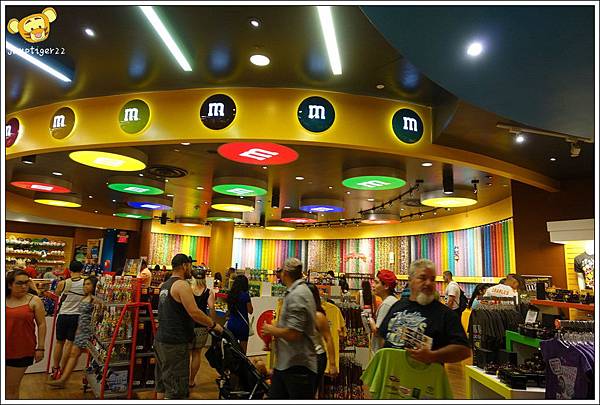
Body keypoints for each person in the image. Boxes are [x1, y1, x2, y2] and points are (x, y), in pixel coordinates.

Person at [154, 253, 223, 400]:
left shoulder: (165, 285)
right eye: (190, 265)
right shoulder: (182, 285)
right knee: (176, 388)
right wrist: (213, 324)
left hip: (161, 340)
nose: (191, 269)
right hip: (175, 343)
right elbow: (194, 312)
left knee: (162, 384)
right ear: (185, 266)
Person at [379, 259, 471, 364]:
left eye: (432, 279)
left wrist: (433, 356)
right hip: (391, 372)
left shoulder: (445, 314)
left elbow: (464, 350)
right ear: (410, 280)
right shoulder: (398, 306)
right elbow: (383, 336)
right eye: (422, 278)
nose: (428, 283)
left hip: (424, 373)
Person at [262, 257, 318, 399]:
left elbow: (294, 333)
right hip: (288, 363)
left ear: (285, 273)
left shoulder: (298, 295)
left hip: (297, 366)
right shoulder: (297, 292)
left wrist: (271, 330)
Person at [47, 276, 98, 388]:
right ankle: (63, 379)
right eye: (84, 284)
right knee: (74, 354)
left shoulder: (95, 299)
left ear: (94, 286)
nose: (85, 286)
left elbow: (97, 315)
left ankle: (64, 379)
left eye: (88, 284)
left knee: (77, 354)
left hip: (87, 331)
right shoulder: (85, 297)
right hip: (81, 331)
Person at [6, 270, 47, 399]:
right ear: (10, 285)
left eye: (26, 283)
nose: (24, 286)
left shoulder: (34, 300)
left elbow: (42, 324)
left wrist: (40, 347)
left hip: (21, 350)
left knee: (11, 389)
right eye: (19, 283)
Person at [49, 260, 85, 380]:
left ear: (69, 270)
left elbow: (56, 294)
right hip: (76, 316)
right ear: (82, 270)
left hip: (63, 315)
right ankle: (63, 370)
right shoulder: (86, 283)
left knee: (59, 342)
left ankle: (55, 368)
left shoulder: (63, 283)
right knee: (69, 343)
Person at [306, 283, 338, 397]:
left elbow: (328, 339)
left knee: (309, 392)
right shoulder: (298, 313)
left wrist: (332, 364)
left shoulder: (318, 316)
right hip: (302, 358)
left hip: (316, 358)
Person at [188, 267, 216, 388]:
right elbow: (212, 308)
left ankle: (184, 379)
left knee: (186, 354)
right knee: (197, 354)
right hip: (202, 326)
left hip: (188, 325)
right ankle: (191, 380)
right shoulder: (208, 292)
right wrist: (212, 323)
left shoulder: (188, 290)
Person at [368, 269, 398, 352]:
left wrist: (370, 320)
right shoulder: (392, 300)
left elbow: (378, 331)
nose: (373, 285)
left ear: (386, 286)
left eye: (376, 282)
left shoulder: (387, 304)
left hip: (382, 351)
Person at [225, 275, 254, 354]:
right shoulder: (245, 295)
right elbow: (250, 311)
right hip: (242, 325)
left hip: (231, 323)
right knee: (242, 353)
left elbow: (229, 310)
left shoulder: (230, 294)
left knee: (231, 349)